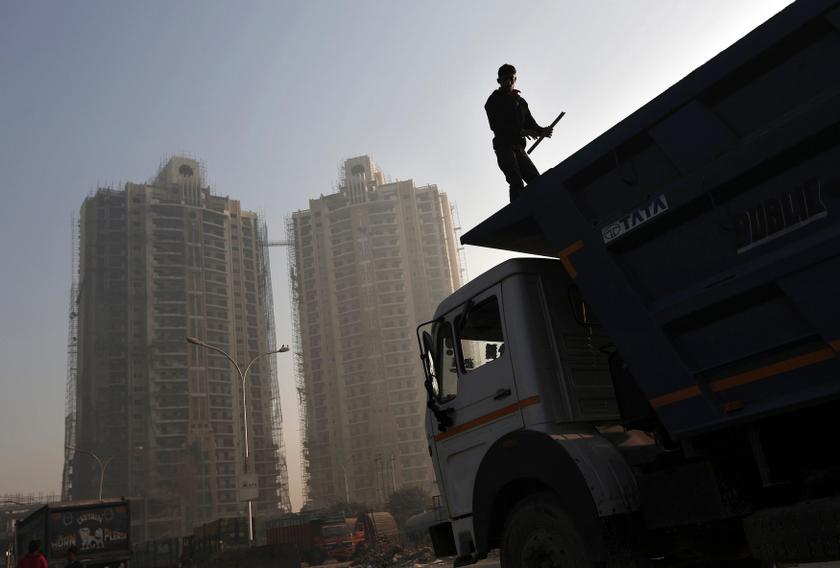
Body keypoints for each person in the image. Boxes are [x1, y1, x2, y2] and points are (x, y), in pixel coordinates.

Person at [485, 63, 553, 201]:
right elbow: (496, 126)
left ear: (515, 79)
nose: (509, 82)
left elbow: (531, 124)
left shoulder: (521, 102)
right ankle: (518, 211)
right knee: (516, 182)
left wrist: (542, 131)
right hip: (504, 148)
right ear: (499, 81)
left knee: (535, 180)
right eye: (505, 79)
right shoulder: (493, 101)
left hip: (519, 149)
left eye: (511, 78)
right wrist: (520, 132)